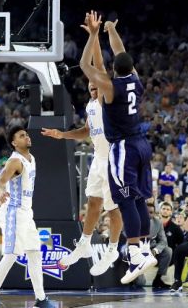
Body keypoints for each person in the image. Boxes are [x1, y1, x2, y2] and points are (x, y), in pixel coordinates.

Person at [78, 11, 156, 284]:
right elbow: (120, 51)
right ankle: (144, 248)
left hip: (123, 147)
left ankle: (135, 253)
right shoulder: (135, 80)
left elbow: (85, 65)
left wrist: (94, 35)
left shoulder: (110, 88)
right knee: (138, 198)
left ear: (114, 71)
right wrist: (111, 29)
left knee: (125, 200)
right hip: (142, 144)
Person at [42, 78, 123, 276]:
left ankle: (112, 249)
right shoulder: (90, 105)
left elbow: (100, 72)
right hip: (98, 158)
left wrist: (93, 47)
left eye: (97, 83)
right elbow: (85, 131)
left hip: (113, 158)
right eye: (90, 83)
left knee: (113, 209)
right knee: (93, 203)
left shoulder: (106, 101)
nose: (93, 86)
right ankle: (84, 243)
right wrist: (62, 135)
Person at [0, 127, 55, 308]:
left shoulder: (32, 159)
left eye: (26, 134)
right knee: (11, 254)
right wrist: (0, 194)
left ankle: (41, 299)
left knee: (35, 253)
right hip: (13, 212)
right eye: (22, 136)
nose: (27, 137)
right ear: (14, 143)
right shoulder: (15, 161)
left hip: (26, 213)